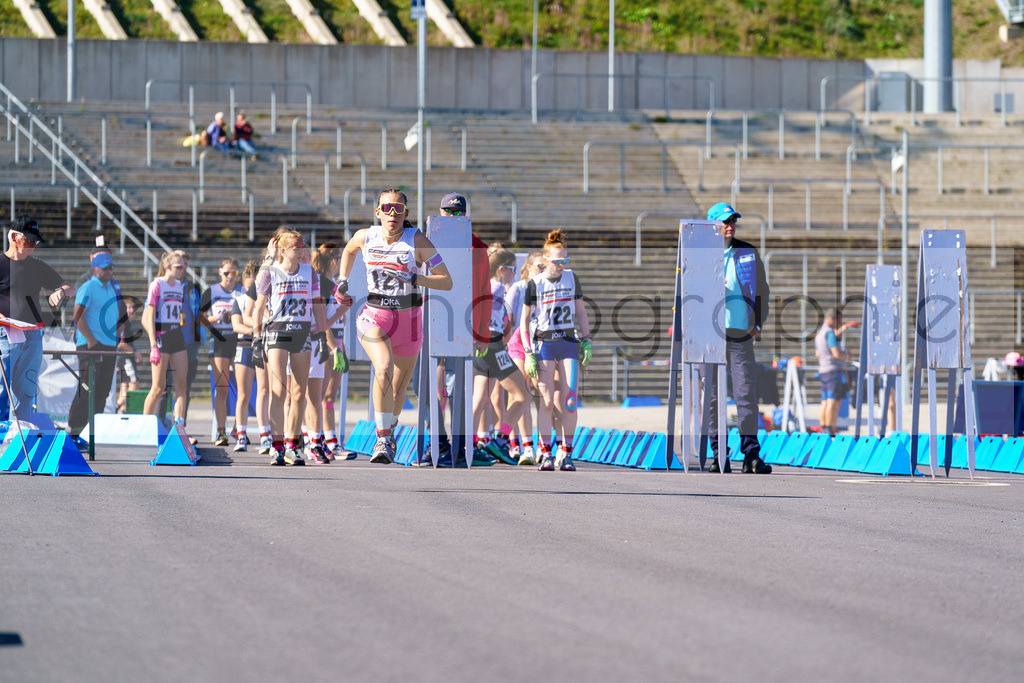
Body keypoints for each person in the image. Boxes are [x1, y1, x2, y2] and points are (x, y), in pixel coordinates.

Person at [336, 189, 453, 464]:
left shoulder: (417, 240)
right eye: (387, 208)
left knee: (399, 390)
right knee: (383, 368)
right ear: (377, 212)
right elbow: (349, 250)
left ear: (406, 214)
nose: (392, 214)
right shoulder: (366, 236)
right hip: (375, 315)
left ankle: (389, 434)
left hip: (409, 320)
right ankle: (381, 438)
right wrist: (343, 280)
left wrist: (415, 277)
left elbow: (446, 281)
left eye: (398, 209)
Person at [253, 229, 340, 466]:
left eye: (303, 245)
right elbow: (259, 309)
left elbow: (317, 306)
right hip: (277, 333)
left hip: (302, 333)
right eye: (296, 246)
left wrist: (322, 336)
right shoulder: (270, 272)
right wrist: (256, 338)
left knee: (299, 392)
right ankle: (277, 445)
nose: (301, 249)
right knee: (279, 391)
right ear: (283, 250)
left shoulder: (308, 272)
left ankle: (292, 445)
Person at [703, 202, 772, 474]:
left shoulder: (747, 252)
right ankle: (719, 454)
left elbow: (763, 291)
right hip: (710, 337)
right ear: (713, 225)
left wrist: (758, 325)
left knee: (746, 395)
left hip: (741, 336)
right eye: (724, 221)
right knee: (713, 398)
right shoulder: (700, 255)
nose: (730, 225)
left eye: (733, 221)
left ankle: (751, 455)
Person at [520, 229, 591, 471]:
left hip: (568, 343)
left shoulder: (571, 278)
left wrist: (587, 339)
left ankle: (566, 453)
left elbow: (580, 311)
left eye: (565, 261)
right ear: (546, 260)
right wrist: (528, 351)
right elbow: (523, 321)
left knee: (570, 400)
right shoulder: (535, 284)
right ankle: (546, 452)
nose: (561, 265)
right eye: (557, 261)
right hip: (544, 345)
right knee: (547, 401)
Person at [0, 216, 74, 423]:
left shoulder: (38, 266)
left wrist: (60, 291)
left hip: (32, 334)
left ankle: (20, 435)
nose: (32, 247)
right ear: (13, 237)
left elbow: (70, 287)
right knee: (1, 389)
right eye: (28, 242)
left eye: (36, 243)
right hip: (4, 333)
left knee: (25, 392)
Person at [471, 248, 531, 465]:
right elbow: (492, 319)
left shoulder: (485, 286)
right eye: (512, 269)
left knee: (480, 399)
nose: (514, 274)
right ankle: (501, 439)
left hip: (483, 345)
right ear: (501, 269)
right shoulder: (497, 288)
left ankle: (469, 444)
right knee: (523, 395)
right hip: (492, 345)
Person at [67, 253, 136, 438]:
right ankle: (75, 428)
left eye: (111, 267)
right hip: (89, 346)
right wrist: (90, 339)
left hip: (108, 346)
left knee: (103, 388)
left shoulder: (112, 288)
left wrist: (116, 336)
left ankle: (93, 427)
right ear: (94, 268)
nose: (109, 271)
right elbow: (77, 316)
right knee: (86, 387)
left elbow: (122, 316)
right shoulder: (88, 287)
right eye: (105, 268)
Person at [504, 251, 543, 465]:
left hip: (541, 342)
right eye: (539, 266)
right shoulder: (519, 288)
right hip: (518, 343)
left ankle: (540, 444)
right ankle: (521, 445)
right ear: (527, 268)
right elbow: (508, 320)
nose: (542, 271)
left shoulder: (547, 287)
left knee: (541, 394)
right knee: (521, 394)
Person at [142, 252, 189, 424]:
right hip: (161, 335)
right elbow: (149, 315)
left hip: (177, 334)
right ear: (168, 267)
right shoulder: (157, 284)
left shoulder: (179, 285)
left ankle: (180, 426)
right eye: (178, 266)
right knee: (158, 387)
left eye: (183, 266)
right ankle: (144, 425)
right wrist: (153, 344)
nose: (182, 269)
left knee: (181, 385)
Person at [201, 258, 243, 445]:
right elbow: (199, 320)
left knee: (243, 390)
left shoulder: (241, 291)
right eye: (226, 272)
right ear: (220, 272)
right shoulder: (211, 291)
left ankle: (239, 428)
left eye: (233, 272)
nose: (230, 276)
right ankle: (221, 431)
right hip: (219, 343)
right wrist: (216, 317)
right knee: (222, 389)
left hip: (239, 341)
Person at [230, 260, 260, 451]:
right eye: (248, 287)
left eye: (254, 288)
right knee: (243, 394)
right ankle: (241, 435)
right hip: (246, 345)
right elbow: (236, 326)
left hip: (266, 345)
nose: (250, 292)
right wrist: (256, 331)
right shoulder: (239, 300)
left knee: (267, 392)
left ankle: (270, 436)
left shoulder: (266, 298)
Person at [815, 307, 857, 436]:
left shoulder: (820, 333)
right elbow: (836, 353)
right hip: (833, 371)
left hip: (823, 369)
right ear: (832, 319)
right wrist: (847, 355)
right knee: (832, 400)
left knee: (825, 400)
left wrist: (844, 328)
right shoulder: (829, 333)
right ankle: (830, 428)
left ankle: (824, 427)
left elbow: (817, 353)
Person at [115, 296, 143, 413]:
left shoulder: (128, 323)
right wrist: (134, 352)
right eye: (129, 307)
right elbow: (120, 343)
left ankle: (123, 410)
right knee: (134, 383)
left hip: (125, 358)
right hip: (125, 357)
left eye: (134, 308)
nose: (132, 310)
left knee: (124, 385)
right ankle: (118, 407)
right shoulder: (123, 322)